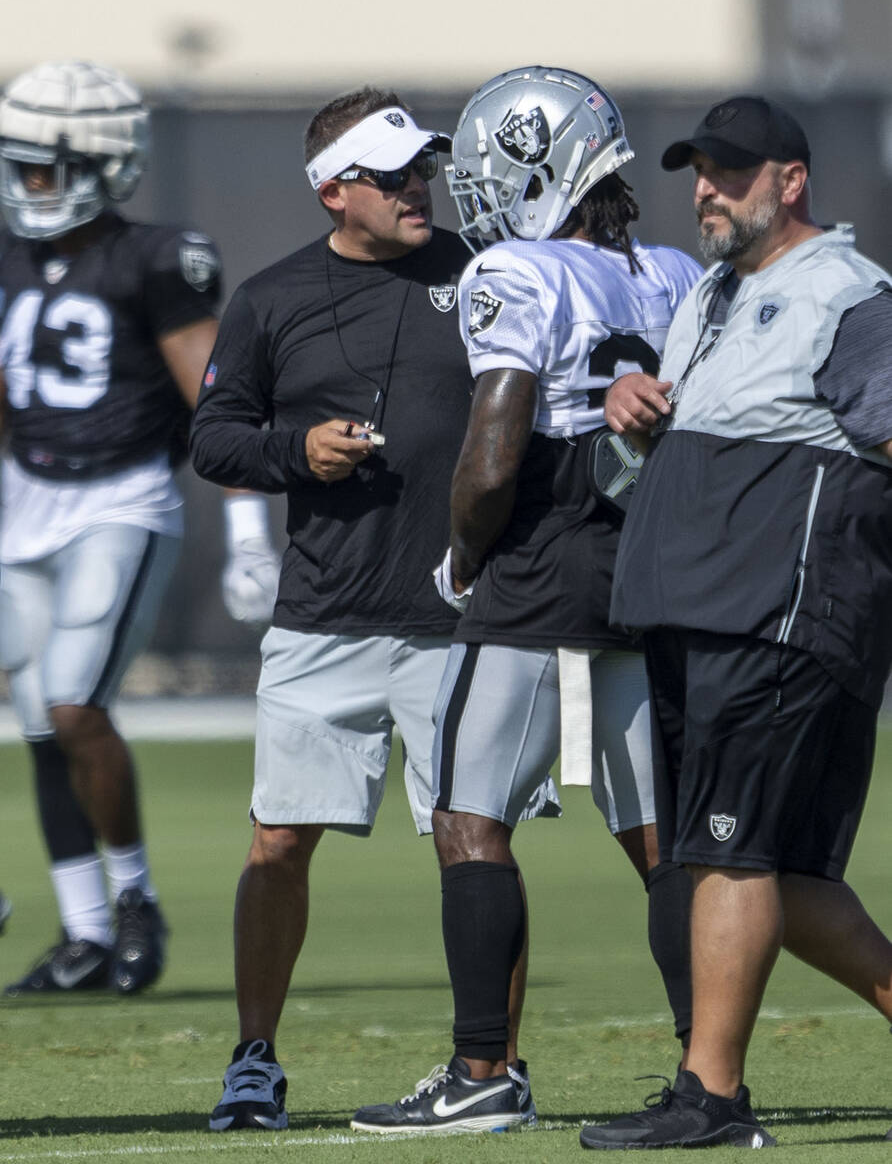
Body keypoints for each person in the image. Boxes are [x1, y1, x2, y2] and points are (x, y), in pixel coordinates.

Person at [191, 85, 555, 1133]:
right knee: (276, 844)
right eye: (392, 176)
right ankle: (254, 1059)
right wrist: (291, 453)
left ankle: (493, 1066)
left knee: (477, 842)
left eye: (422, 171)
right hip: (323, 618)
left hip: (465, 623)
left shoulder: (485, 275)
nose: (418, 189)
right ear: (331, 191)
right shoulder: (269, 298)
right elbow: (214, 434)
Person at [351, 65, 702, 1136]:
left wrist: (465, 554)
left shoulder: (516, 269)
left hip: (543, 557)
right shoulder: (676, 271)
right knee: (659, 840)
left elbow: (494, 449)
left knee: (466, 818)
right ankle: (710, 1072)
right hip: (648, 562)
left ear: (533, 165)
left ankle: (481, 1071)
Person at [580, 95, 892, 1150]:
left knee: (728, 856)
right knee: (781, 871)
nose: (705, 189)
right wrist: (630, 403)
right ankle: (707, 1091)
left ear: (789, 181)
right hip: (695, 613)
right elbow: (672, 447)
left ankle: (710, 1098)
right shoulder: (706, 295)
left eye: (729, 171)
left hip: (777, 615)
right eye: (696, 171)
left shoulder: (845, 293)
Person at [0, 59, 279, 997]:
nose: (24, 183)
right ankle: (80, 934)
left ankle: (132, 903)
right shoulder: (7, 254)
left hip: (120, 501)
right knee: (41, 724)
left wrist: (249, 537)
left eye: (42, 165)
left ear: (100, 162)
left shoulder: (159, 256)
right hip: (24, 497)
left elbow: (216, 402)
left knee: (76, 707)